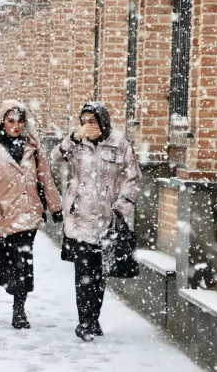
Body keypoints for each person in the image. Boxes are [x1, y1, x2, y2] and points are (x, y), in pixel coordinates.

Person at [0, 100, 62, 329]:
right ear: (2, 122)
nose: (16, 126)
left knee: (23, 264)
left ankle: (19, 310)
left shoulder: (33, 149)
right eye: (10, 121)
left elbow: (45, 179)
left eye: (20, 121)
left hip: (27, 214)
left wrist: (55, 207)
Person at [50, 101, 141, 341]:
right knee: (83, 274)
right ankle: (85, 321)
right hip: (80, 217)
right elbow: (55, 157)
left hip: (106, 221)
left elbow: (133, 178)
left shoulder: (119, 143)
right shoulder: (78, 143)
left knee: (99, 275)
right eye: (85, 121)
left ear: (103, 121)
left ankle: (93, 318)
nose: (88, 126)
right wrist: (72, 137)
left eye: (93, 121)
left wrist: (120, 210)